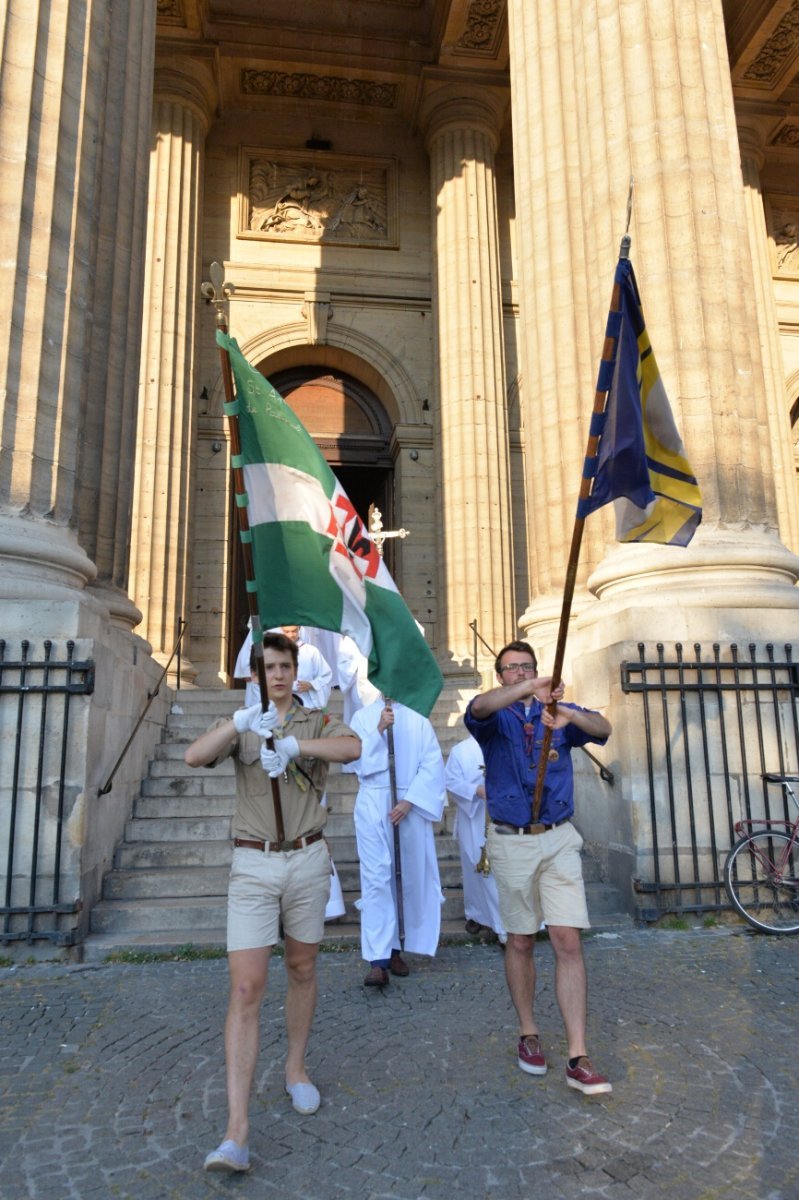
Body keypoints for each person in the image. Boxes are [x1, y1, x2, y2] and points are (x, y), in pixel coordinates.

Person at [185, 632, 360, 1173]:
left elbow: (351, 747)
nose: (278, 676)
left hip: (307, 859)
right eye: (268, 668)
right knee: (246, 986)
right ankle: (236, 1131)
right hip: (255, 864)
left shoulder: (314, 720)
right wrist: (239, 726)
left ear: (295, 670)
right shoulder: (246, 724)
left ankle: (296, 1068)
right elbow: (194, 757)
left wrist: (293, 747)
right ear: (255, 675)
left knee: (303, 967)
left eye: (285, 666)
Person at [464, 640, 613, 1096]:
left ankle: (577, 1055)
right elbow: (477, 706)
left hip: (558, 835)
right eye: (511, 669)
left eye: (527, 667)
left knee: (568, 939)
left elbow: (603, 728)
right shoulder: (493, 720)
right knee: (522, 939)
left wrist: (570, 716)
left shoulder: (557, 712)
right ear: (501, 674)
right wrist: (530, 687)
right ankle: (528, 1032)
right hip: (512, 841)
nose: (519, 674)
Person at [349, 697, 446, 986]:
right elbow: (356, 760)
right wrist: (378, 730)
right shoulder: (363, 717)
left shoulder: (418, 719)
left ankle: (395, 948)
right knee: (376, 877)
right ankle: (377, 959)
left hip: (408, 804)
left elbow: (432, 764)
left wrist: (409, 801)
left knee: (404, 878)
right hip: (372, 800)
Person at [445, 734, 506, 944]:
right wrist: (475, 790)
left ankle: (503, 927)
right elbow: (451, 781)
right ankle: (477, 914)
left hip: (506, 815)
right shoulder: (460, 750)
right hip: (474, 816)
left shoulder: (504, 743)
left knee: (498, 870)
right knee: (476, 868)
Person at [235, 624, 333, 711]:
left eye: (294, 631)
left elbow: (325, 675)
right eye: (287, 631)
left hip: (304, 700)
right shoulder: (272, 651)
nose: (291, 635)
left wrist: (311, 684)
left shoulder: (311, 651)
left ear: (299, 629)